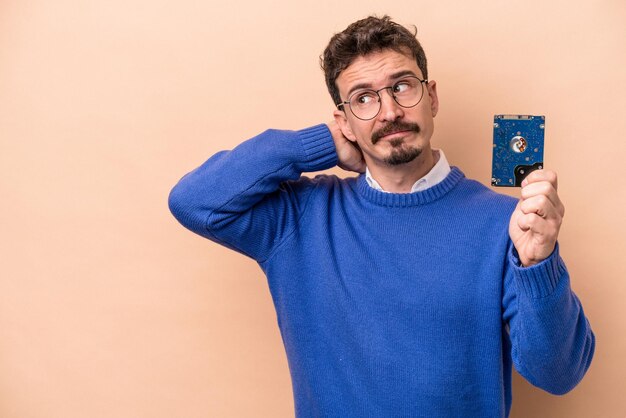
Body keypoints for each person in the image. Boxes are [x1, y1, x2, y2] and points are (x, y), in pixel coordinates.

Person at [168, 15, 595, 417]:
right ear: (344, 122)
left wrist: (539, 263)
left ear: (431, 97)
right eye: (364, 99)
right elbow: (193, 200)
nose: (389, 112)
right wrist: (316, 145)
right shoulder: (299, 219)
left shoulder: (508, 226)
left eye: (402, 87)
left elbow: (557, 374)